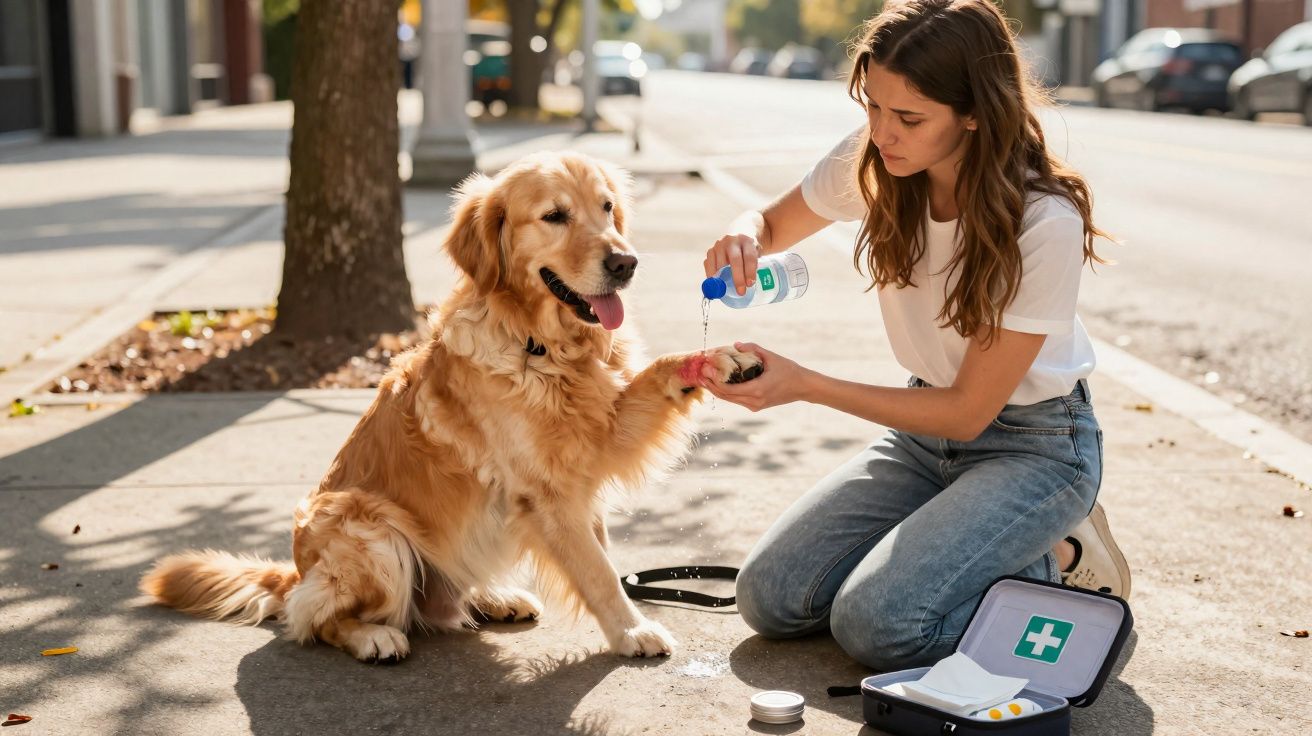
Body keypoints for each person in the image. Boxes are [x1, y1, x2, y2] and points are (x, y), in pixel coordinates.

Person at [698, 0, 1131, 671]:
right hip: (923, 440)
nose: (882, 132)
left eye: (908, 118)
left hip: (1035, 449)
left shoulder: (1042, 220)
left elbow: (967, 411)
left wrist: (805, 385)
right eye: (872, 106)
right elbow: (773, 223)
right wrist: (744, 234)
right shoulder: (876, 162)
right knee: (771, 598)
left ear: (975, 112)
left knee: (877, 626)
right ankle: (961, 542)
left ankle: (1059, 556)